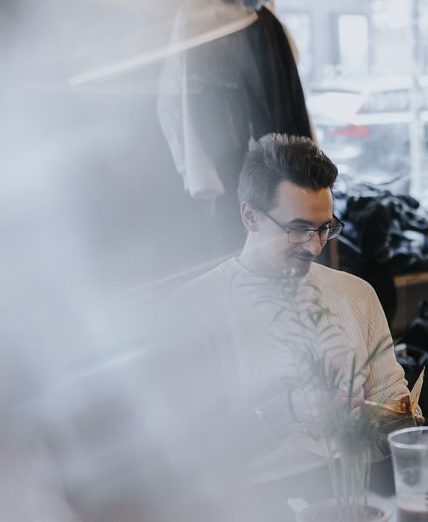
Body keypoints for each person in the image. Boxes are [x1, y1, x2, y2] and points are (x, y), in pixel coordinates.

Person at [175, 133, 412, 461]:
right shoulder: (195, 308)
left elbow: (393, 399)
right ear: (250, 216)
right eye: (298, 229)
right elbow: (190, 448)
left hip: (362, 489)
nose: (314, 247)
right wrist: (280, 413)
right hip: (263, 500)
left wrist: (402, 424)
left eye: (325, 228)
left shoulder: (356, 294)